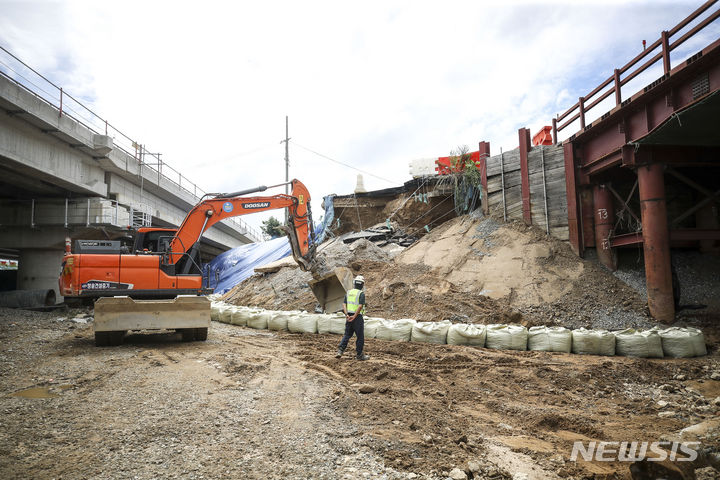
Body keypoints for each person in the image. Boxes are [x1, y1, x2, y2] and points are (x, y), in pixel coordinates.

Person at [336, 275, 369, 361]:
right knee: (360, 337)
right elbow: (360, 306)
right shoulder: (361, 294)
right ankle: (359, 355)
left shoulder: (348, 292)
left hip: (348, 316)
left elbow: (344, 304)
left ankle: (340, 351)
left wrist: (347, 314)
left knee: (347, 334)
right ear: (362, 285)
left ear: (354, 283)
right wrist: (354, 316)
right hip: (357, 317)